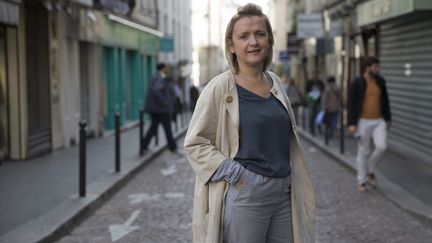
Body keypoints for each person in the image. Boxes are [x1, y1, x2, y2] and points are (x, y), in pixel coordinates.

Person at [184, 3, 315, 243]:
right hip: (248, 194)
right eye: (244, 36)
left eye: (260, 34)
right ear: (232, 46)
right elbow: (195, 143)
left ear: (269, 41)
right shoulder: (220, 87)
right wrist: (238, 175)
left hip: (283, 193)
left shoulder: (274, 82)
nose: (253, 41)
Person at [348, 56, 391, 192]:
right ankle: (362, 180)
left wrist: (388, 118)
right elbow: (351, 104)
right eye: (375, 67)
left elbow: (385, 100)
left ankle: (370, 169)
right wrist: (351, 123)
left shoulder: (381, 81)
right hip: (362, 122)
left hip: (379, 121)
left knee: (382, 147)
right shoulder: (357, 83)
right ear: (367, 67)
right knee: (363, 151)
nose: (378, 69)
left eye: (378, 67)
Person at [142, 63, 179, 154]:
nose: (167, 70)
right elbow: (156, 90)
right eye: (166, 68)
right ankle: (172, 147)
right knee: (167, 128)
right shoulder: (160, 78)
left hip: (156, 109)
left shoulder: (156, 77)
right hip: (161, 109)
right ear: (163, 68)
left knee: (153, 127)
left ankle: (144, 145)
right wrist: (165, 102)